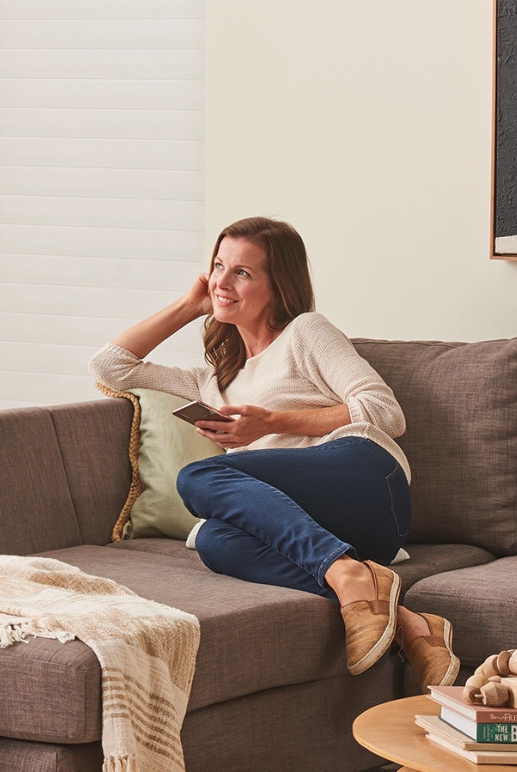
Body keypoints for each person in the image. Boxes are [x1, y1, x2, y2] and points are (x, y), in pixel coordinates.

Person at [88, 216, 458, 688]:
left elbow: (384, 412)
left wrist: (272, 423)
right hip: (332, 533)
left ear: (278, 286)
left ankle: (352, 577)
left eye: (242, 272)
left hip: (368, 481)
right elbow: (110, 367)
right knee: (215, 541)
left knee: (201, 478)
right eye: (218, 266)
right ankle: (393, 609)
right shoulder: (211, 382)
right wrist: (190, 304)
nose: (223, 280)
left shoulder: (305, 333)